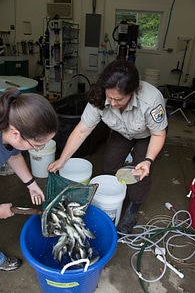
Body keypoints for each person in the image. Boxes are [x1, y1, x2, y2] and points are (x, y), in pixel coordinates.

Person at [48, 59, 168, 234]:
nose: (111, 103)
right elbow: (82, 130)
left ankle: (133, 207)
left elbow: (158, 134)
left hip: (148, 135)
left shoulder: (151, 100)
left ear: (132, 91)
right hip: (121, 131)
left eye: (118, 99)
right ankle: (114, 195)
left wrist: (148, 161)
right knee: (110, 163)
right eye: (109, 97)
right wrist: (62, 159)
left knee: (140, 171)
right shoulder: (98, 97)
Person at [0, 87, 58, 271]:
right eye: (38, 145)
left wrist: (31, 184)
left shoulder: (9, 128)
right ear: (16, 133)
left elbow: (14, 155)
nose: (39, 149)